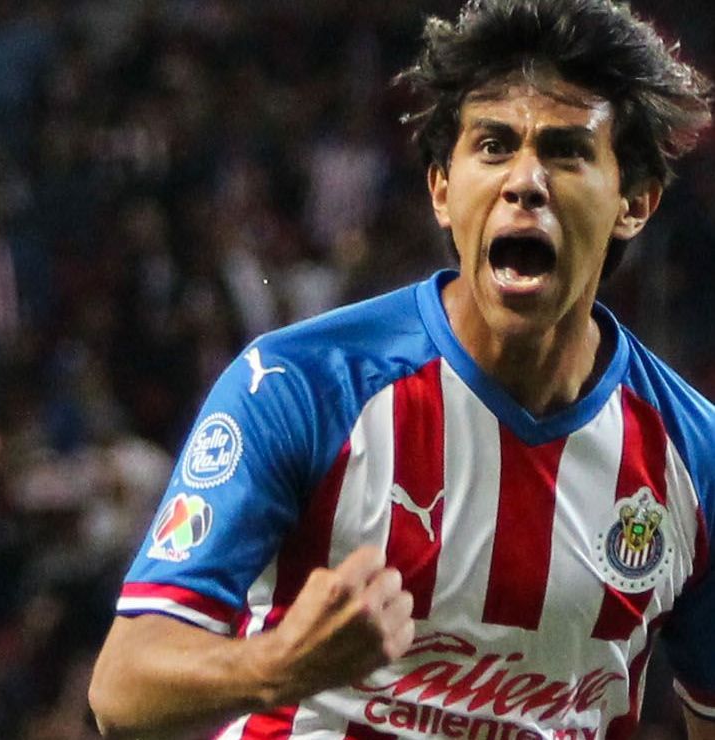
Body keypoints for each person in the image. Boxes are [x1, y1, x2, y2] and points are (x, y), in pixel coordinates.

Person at [87, 1, 715, 738]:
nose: (525, 181)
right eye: (493, 146)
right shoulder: (302, 386)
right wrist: (276, 664)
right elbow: (122, 689)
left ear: (634, 202)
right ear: (442, 190)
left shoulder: (693, 458)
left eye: (567, 151)